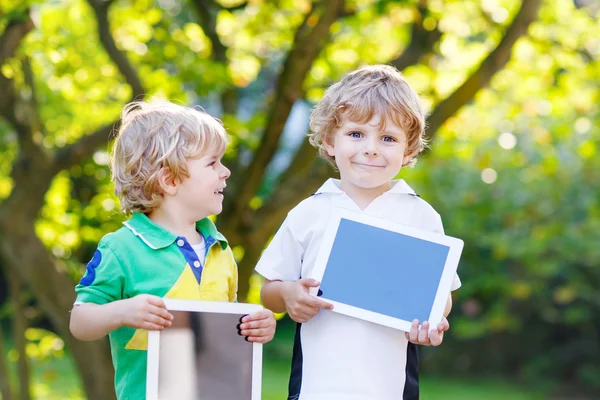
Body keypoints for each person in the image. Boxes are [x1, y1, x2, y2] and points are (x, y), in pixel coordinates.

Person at [256, 64, 461, 400]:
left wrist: (434, 320)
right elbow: (270, 290)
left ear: (408, 151)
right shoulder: (309, 212)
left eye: (388, 139)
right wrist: (291, 295)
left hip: (390, 388)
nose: (371, 148)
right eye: (356, 134)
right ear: (329, 141)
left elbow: (442, 296)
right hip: (315, 387)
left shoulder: (422, 216)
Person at [69, 100, 276, 400]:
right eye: (212, 163)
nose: (226, 172)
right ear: (169, 180)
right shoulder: (121, 248)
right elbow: (81, 321)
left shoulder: (221, 249)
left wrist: (257, 327)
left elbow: (226, 331)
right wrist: (123, 311)